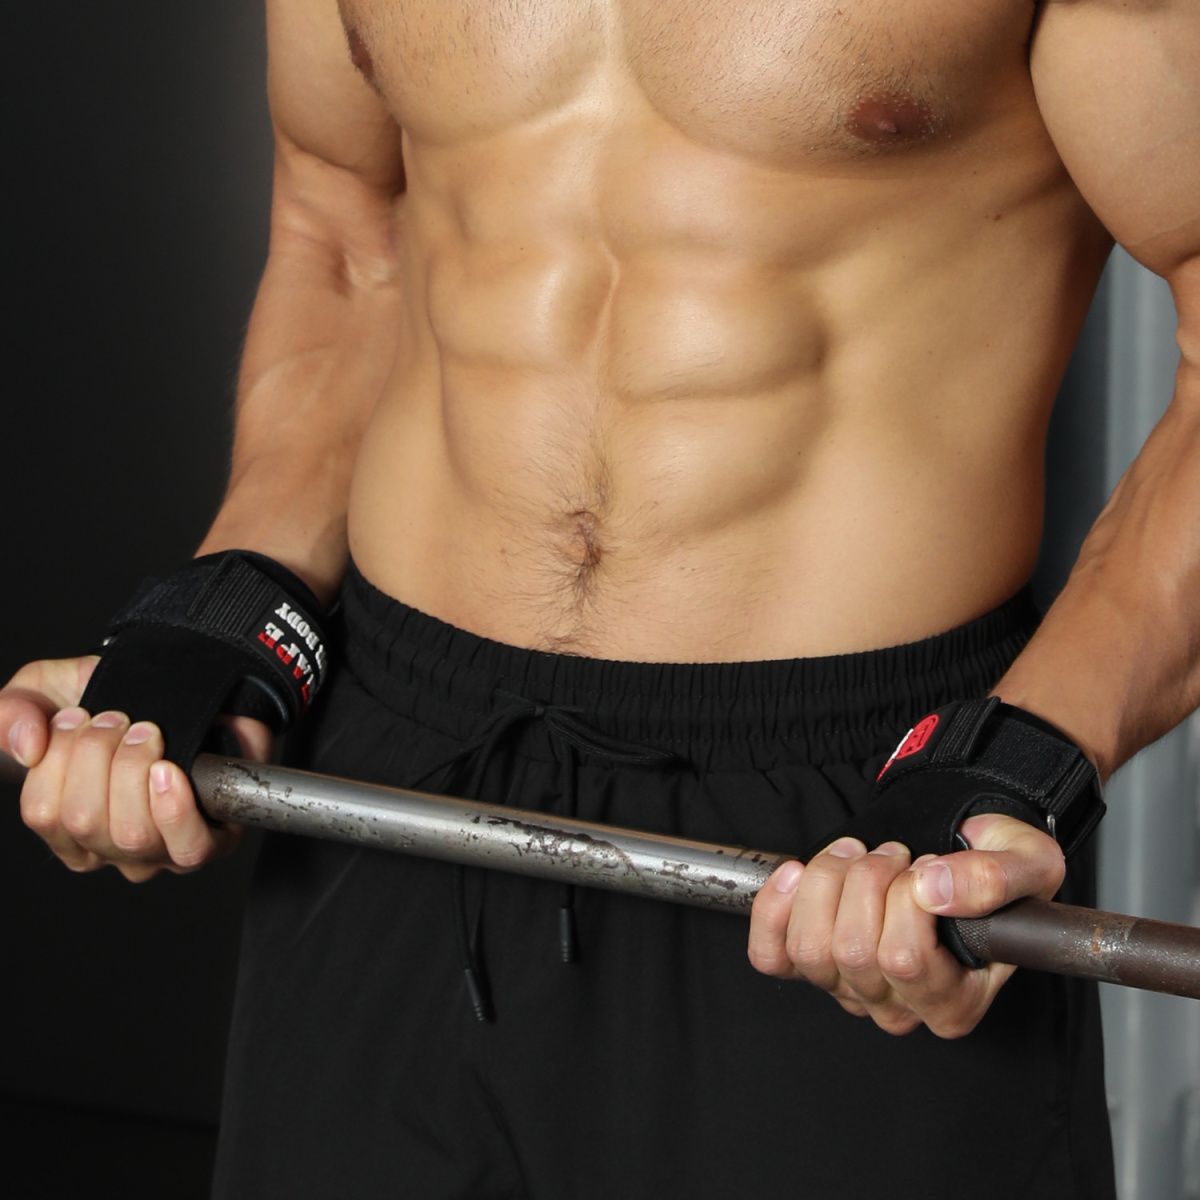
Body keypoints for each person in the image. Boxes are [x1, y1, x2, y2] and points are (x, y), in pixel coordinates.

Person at [4, 1, 1198, 1196]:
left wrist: (1021, 765)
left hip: (857, 843)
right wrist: (230, 608)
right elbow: (346, 235)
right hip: (392, 775)